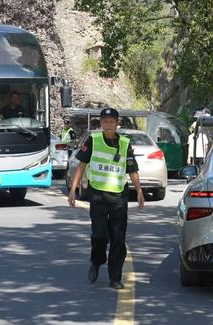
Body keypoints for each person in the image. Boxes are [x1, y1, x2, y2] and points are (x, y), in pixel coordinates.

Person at [67, 108, 145, 290]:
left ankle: (115, 278)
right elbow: (81, 165)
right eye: (105, 122)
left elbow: (132, 169)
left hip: (119, 196)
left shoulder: (125, 143)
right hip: (98, 195)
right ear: (101, 123)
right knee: (99, 235)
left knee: (118, 239)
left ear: (117, 123)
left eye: (111, 121)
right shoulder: (93, 140)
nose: (108, 125)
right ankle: (97, 260)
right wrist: (73, 190)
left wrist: (139, 190)